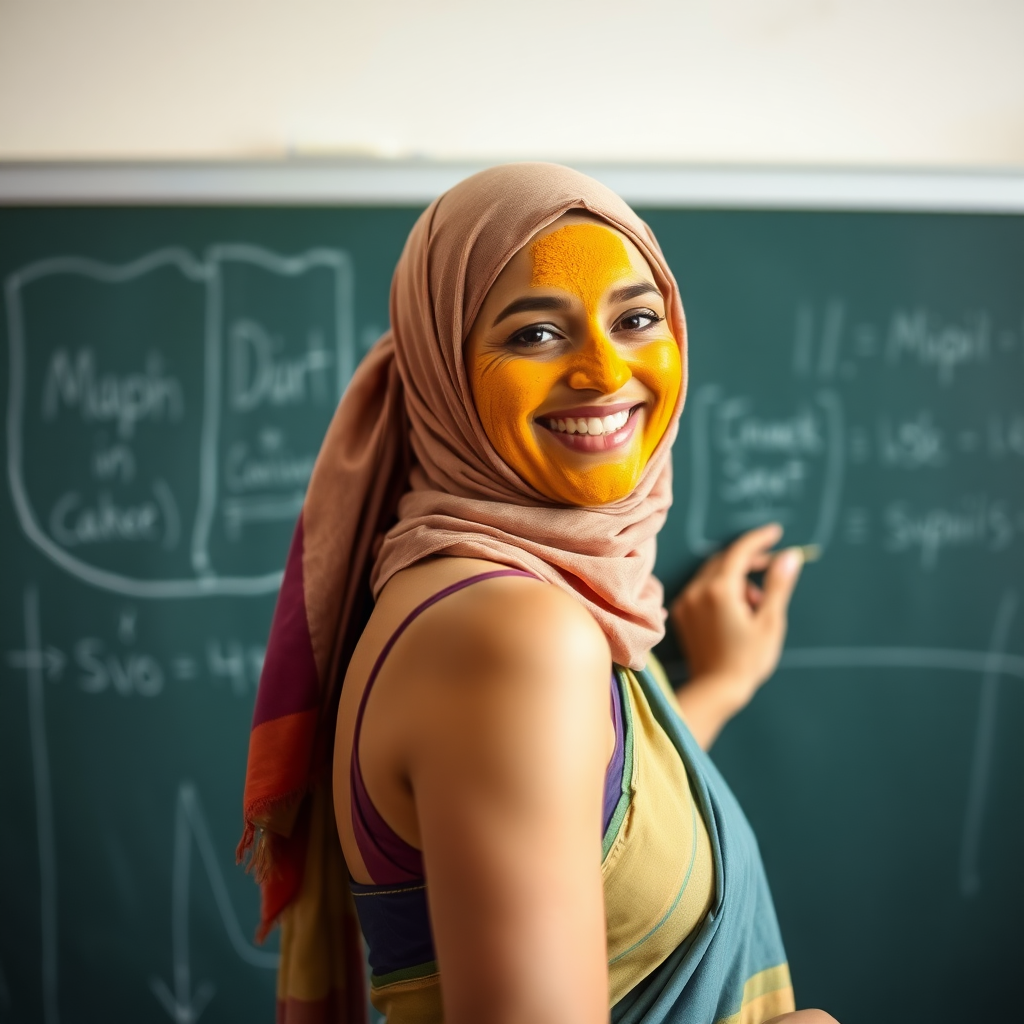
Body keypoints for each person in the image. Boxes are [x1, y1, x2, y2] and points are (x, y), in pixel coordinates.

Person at [239, 163, 839, 1024]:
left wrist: (718, 687)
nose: (603, 371)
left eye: (636, 318)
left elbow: (585, 825)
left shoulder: (497, 601)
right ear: (446, 371)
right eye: (534, 336)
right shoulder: (514, 633)